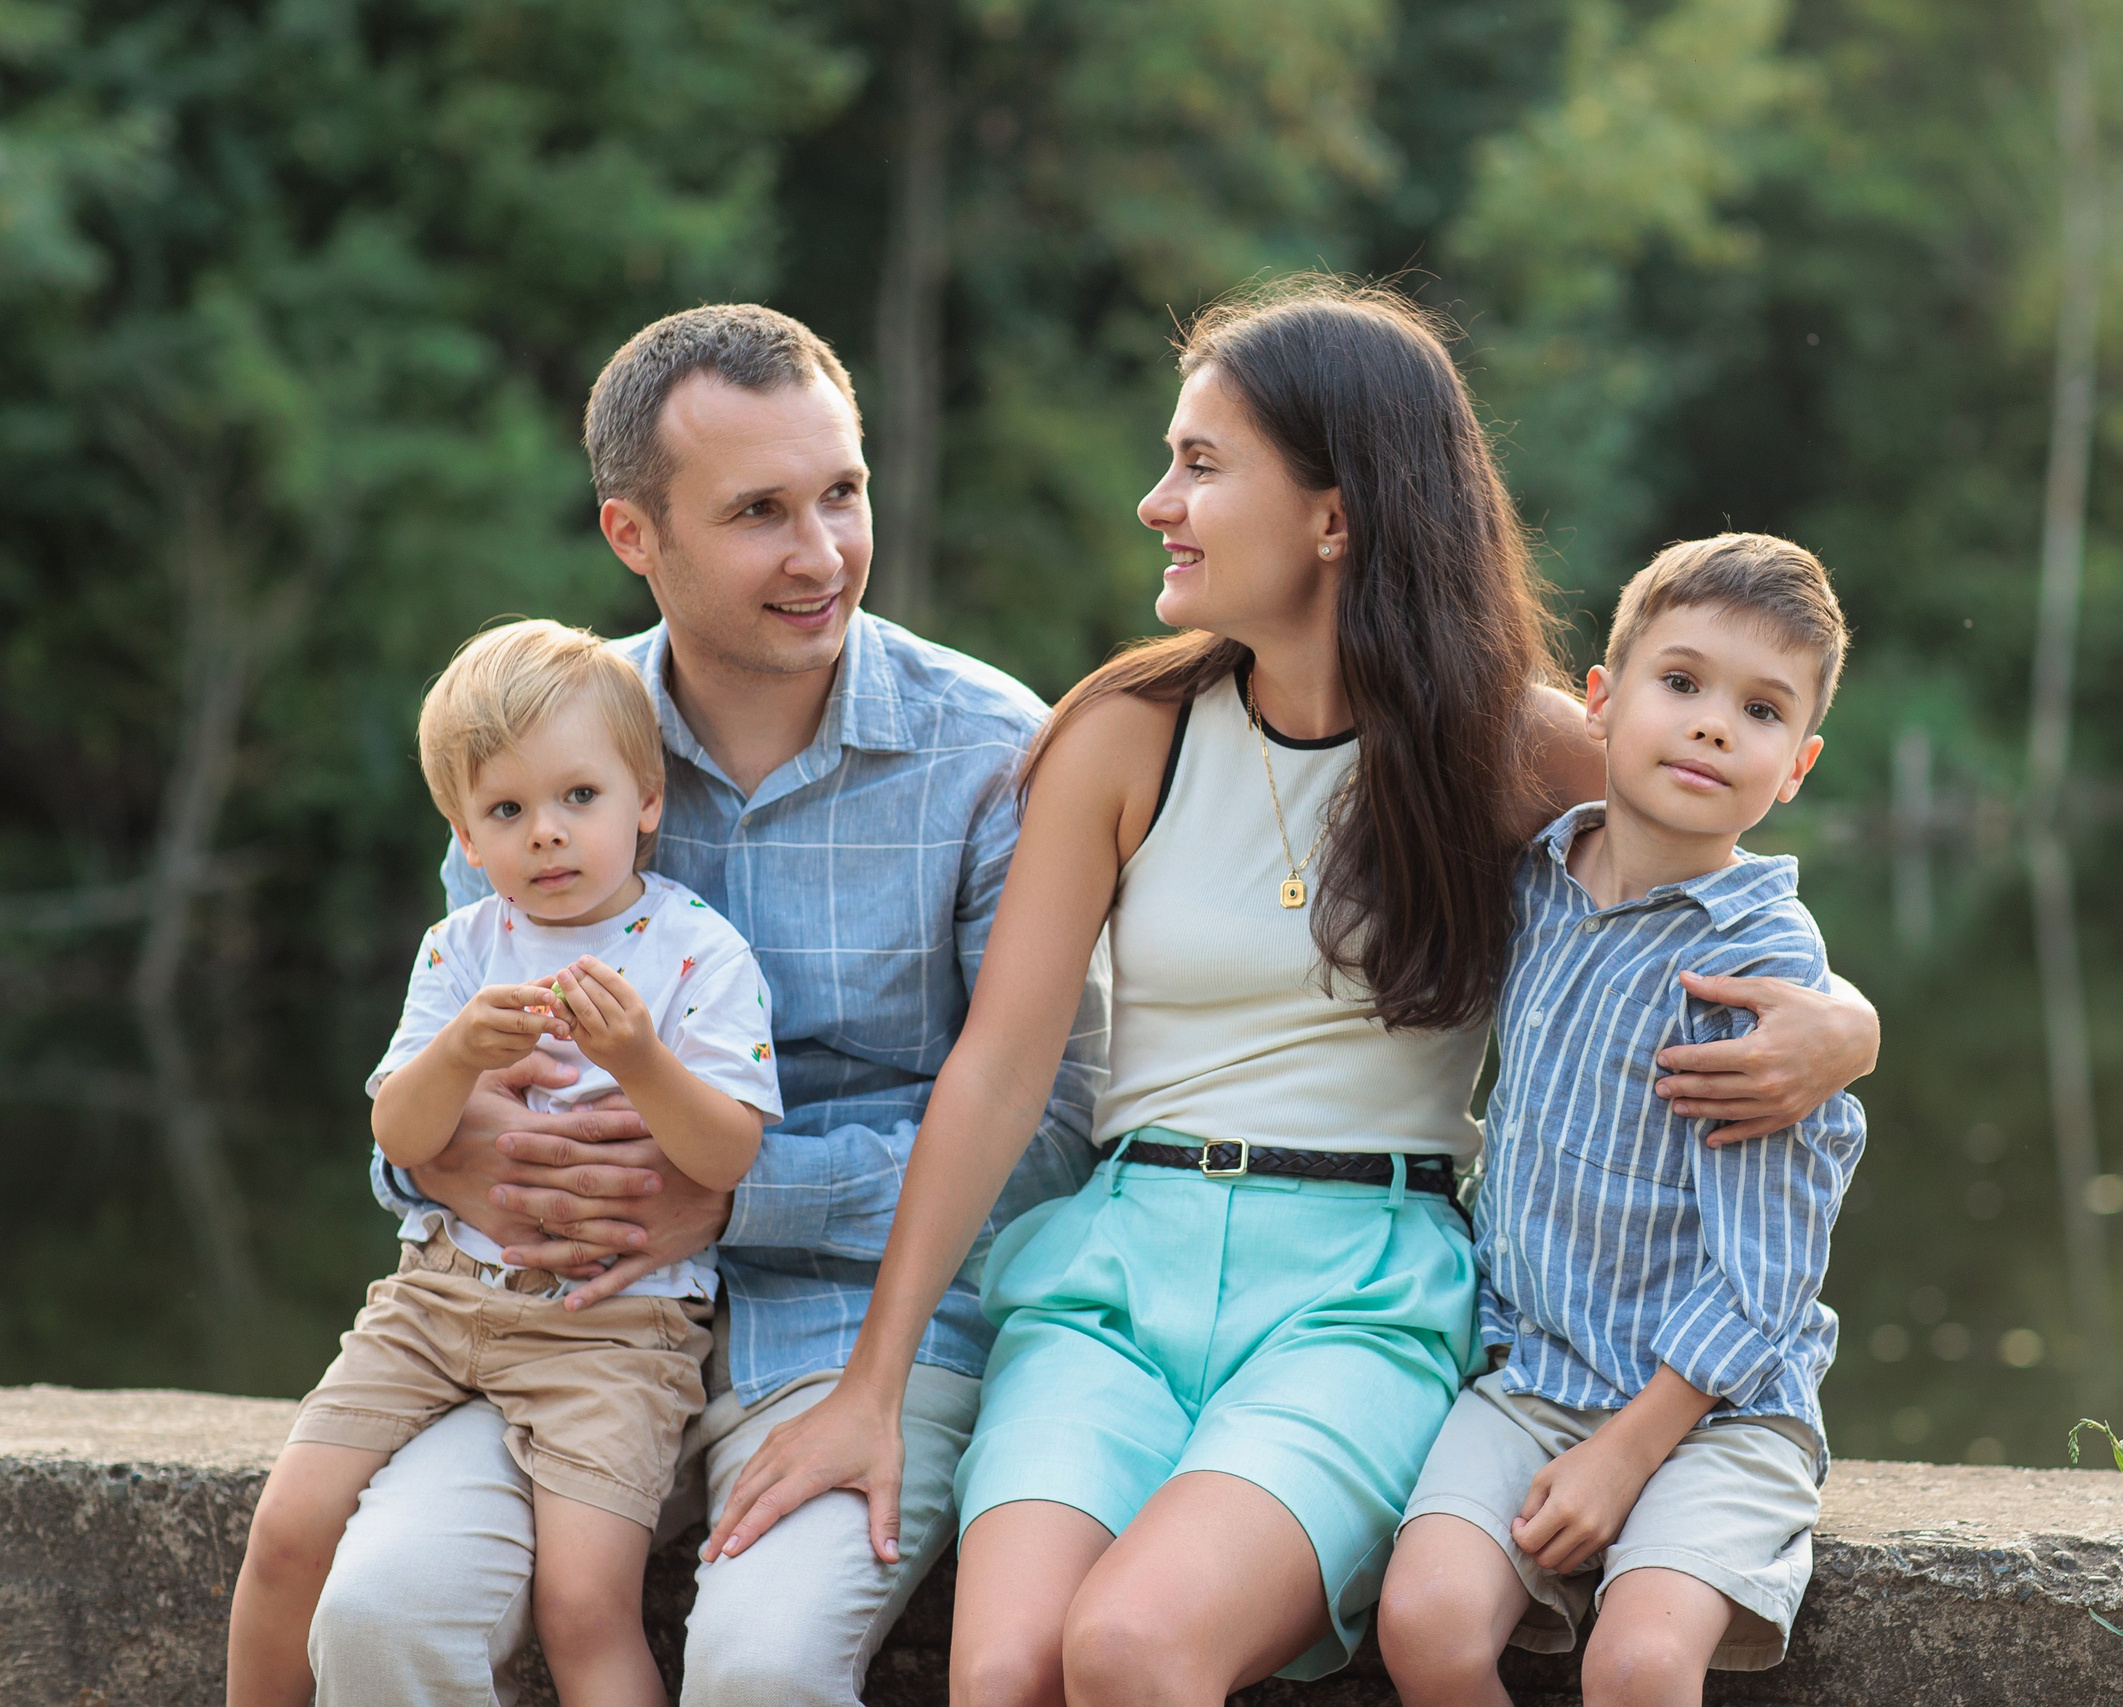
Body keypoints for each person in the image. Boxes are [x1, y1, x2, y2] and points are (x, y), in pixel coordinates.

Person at [699, 282, 1881, 1707]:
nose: (1158, 502)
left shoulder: (1514, 745)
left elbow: (1718, 870)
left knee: (1132, 1647)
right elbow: (1001, 1071)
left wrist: (1849, 1024)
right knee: (1003, 1665)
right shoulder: (1122, 734)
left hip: (1363, 1287)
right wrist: (871, 1385)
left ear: (1335, 513)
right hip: (1113, 1275)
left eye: (1201, 463)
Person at [299, 304, 1110, 1707]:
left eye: (841, 493)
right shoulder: (537, 750)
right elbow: (429, 1101)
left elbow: (1054, 1135)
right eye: (759, 512)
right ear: (635, 533)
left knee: (764, 1666)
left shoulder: (995, 753)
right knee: (376, 1612)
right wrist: (452, 1154)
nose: (822, 552)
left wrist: (738, 1195)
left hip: (854, 1329)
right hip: (563, 1314)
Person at [229, 620, 781, 1707]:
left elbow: (728, 1151)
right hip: (438, 1296)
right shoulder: (463, 949)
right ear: (466, 839)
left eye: (581, 797)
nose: (549, 836)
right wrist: (456, 1056)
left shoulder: (695, 951)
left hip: (614, 1333)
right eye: (508, 812)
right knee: (289, 1535)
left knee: (584, 1607)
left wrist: (638, 1059)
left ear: (647, 800)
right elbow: (401, 1134)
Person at [1377, 534, 1867, 1707]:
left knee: (1639, 1664)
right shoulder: (1535, 878)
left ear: (1792, 766)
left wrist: (1629, 1447)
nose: (1710, 726)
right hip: (1532, 1371)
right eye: (1681, 683)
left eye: (1758, 710)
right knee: (1425, 1624)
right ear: (1599, 704)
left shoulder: (1761, 970)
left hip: (1716, 1408)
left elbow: (1772, 1265)